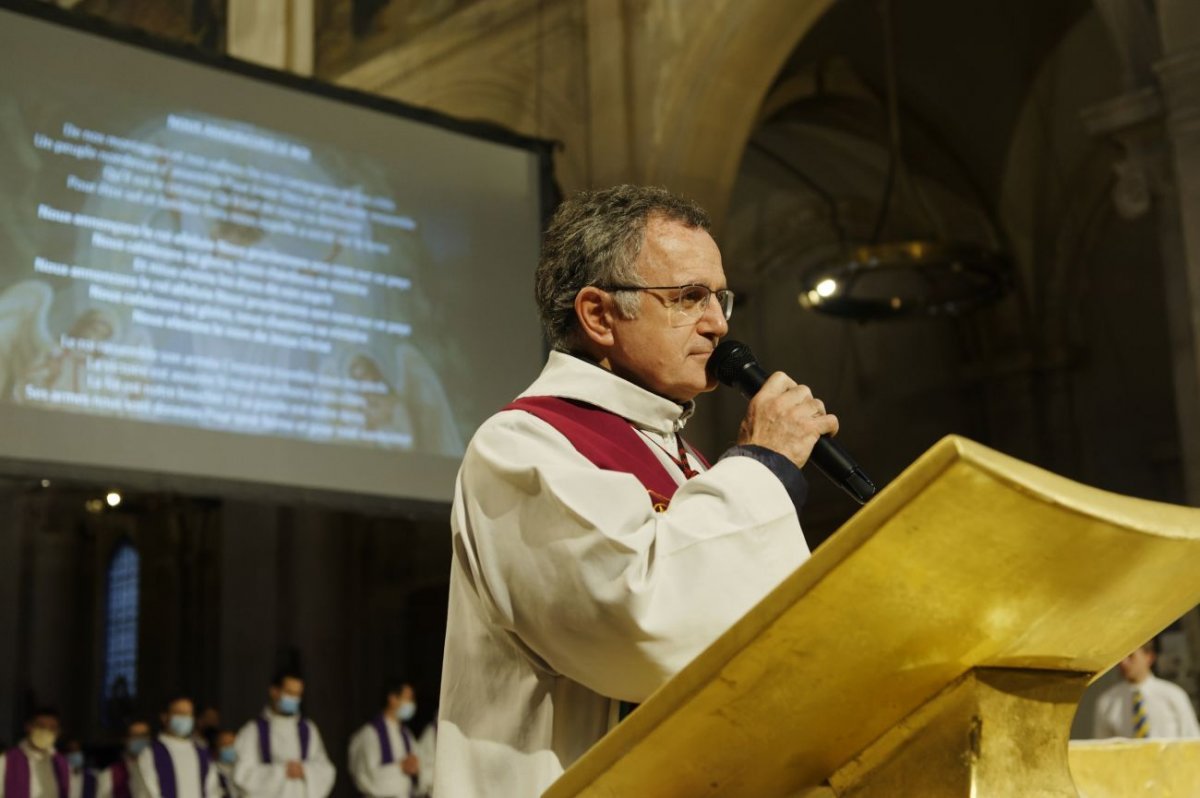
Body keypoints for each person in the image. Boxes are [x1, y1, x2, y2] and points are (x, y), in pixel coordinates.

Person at [435, 184, 835, 796]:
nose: (719, 324)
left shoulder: (690, 465)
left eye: (721, 296)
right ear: (599, 315)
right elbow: (641, 627)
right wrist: (764, 465)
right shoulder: (521, 446)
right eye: (689, 297)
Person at [232, 671, 335, 798]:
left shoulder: (308, 729)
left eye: (298, 695)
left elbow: (326, 769)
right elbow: (241, 775)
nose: (294, 699)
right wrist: (281, 772)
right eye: (290, 693)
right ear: (274, 691)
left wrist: (305, 770)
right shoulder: (252, 731)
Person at [1093, 639, 1200, 739]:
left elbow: (1191, 738)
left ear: (1149, 657)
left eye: (1131, 656)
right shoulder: (1107, 701)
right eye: (1120, 658)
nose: (1123, 663)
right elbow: (1102, 747)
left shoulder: (1173, 695)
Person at [347, 683, 423, 798]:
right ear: (392, 698)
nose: (412, 703)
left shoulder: (407, 734)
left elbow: (420, 768)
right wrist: (400, 767)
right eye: (409, 698)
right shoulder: (370, 733)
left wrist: (416, 768)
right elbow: (366, 776)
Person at [134, 697, 218, 798]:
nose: (185, 718)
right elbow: (147, 793)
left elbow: (212, 791)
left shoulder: (202, 753)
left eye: (188, 714)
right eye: (180, 713)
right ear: (165, 717)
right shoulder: (151, 754)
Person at [0, 707, 70, 798]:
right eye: (41, 726)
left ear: (58, 732)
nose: (46, 732)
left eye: (52, 728)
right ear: (28, 727)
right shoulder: (5, 762)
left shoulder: (61, 764)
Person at [94, 721, 150, 798]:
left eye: (144, 735)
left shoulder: (158, 769)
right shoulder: (109, 775)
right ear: (126, 740)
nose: (140, 740)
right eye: (135, 736)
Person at [207, 732, 237, 798]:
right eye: (225, 745)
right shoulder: (213, 770)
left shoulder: (242, 768)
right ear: (217, 747)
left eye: (232, 744)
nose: (229, 748)